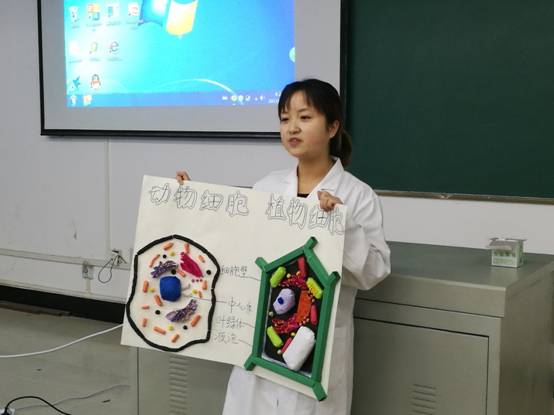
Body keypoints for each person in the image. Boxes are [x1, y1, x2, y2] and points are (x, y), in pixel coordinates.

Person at [176, 78, 390, 415]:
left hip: (316, 343)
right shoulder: (268, 187)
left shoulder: (357, 195)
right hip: (261, 333)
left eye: (305, 117)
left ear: (332, 127)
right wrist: (194, 202)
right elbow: (235, 246)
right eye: (285, 118)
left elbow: (373, 272)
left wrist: (343, 223)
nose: (292, 128)